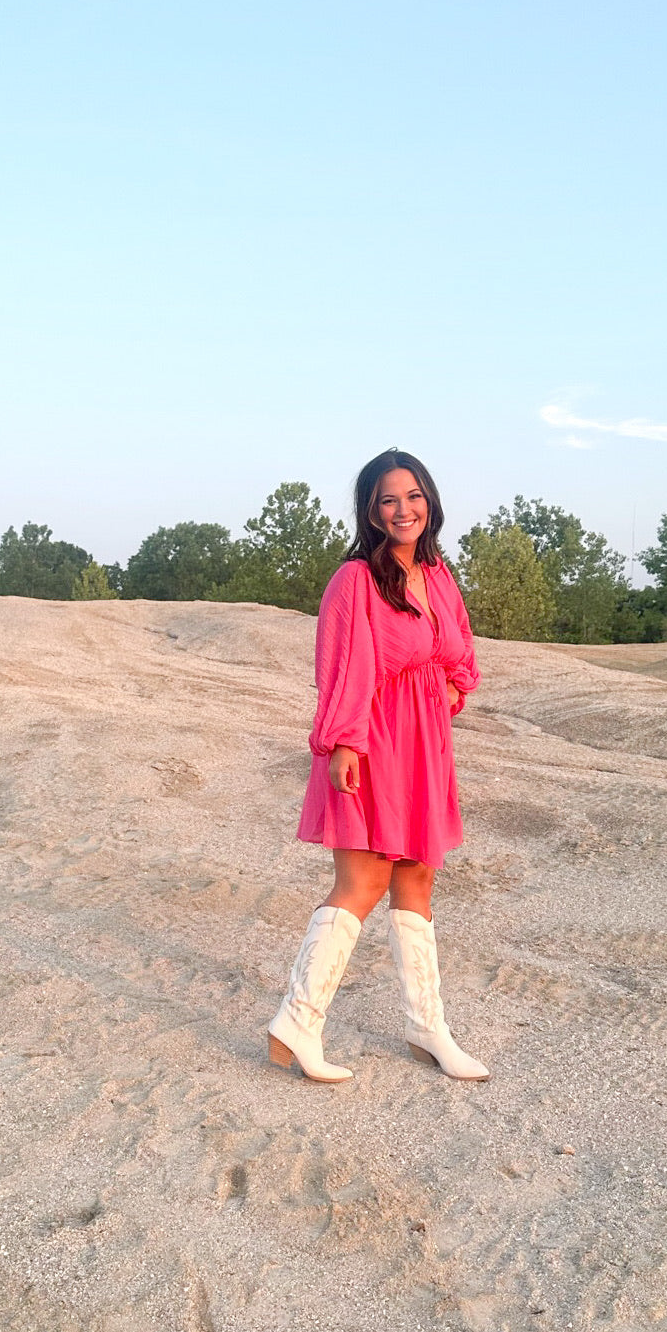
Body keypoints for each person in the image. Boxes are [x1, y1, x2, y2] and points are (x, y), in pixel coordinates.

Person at [267, 448, 489, 1084]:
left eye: (413, 496)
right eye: (388, 499)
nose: (403, 509)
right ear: (369, 509)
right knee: (363, 880)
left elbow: (457, 649)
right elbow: (340, 668)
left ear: (430, 501)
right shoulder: (355, 580)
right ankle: (299, 1020)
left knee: (417, 877)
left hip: (423, 745)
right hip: (372, 740)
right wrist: (343, 742)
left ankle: (429, 1030)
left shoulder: (438, 573)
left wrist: (451, 686)